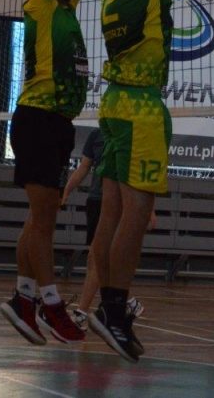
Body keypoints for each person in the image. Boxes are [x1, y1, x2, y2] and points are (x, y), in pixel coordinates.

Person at [87, 0, 198, 363]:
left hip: (112, 103)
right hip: (139, 107)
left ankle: (104, 306)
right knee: (135, 213)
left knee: (111, 212)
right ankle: (115, 309)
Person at [0, 0, 97, 345]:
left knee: (39, 219)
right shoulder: (39, 3)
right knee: (45, 222)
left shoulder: (65, 4)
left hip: (57, 122)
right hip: (37, 118)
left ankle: (22, 299)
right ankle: (52, 304)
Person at [60, 127, 147, 330]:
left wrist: (148, 209)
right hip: (95, 201)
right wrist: (67, 190)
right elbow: (84, 167)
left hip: (116, 201)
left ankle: (82, 313)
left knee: (97, 256)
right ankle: (126, 301)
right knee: (99, 257)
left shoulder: (130, 134)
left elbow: (139, 174)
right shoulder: (96, 135)